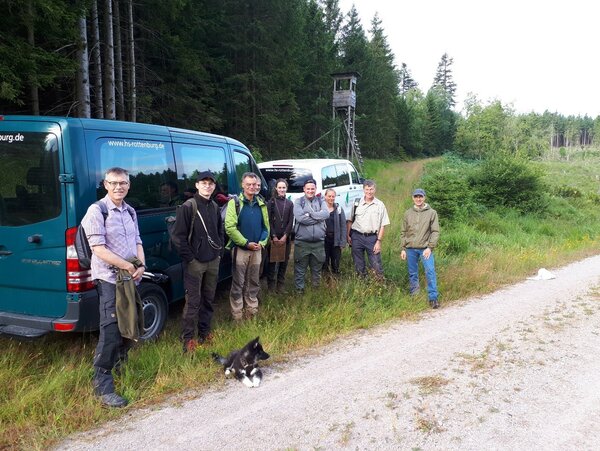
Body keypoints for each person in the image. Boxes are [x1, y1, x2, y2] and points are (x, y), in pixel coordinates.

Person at [81, 167, 145, 408]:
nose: (119, 187)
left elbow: (137, 240)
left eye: (123, 183)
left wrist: (141, 264)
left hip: (131, 278)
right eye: (114, 183)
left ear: (128, 185)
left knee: (130, 322)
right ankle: (102, 386)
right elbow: (98, 249)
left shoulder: (130, 211)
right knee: (110, 330)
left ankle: (121, 366)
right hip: (109, 280)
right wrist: (128, 266)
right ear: (105, 184)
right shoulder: (97, 211)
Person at [172, 171, 224, 353]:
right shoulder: (189, 206)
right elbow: (178, 238)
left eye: (210, 183)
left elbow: (220, 232)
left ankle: (205, 332)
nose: (207, 186)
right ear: (197, 185)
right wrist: (191, 259)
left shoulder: (215, 206)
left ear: (214, 186)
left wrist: (219, 252)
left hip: (212, 260)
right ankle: (188, 339)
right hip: (195, 263)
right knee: (193, 301)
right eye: (204, 183)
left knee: (209, 299)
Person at [225, 172, 269, 321]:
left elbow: (266, 227)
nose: (251, 187)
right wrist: (245, 243)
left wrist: (262, 242)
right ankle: (237, 316)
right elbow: (230, 227)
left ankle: (251, 313)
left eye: (254, 184)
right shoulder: (235, 203)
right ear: (242, 185)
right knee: (238, 283)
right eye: (248, 184)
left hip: (257, 250)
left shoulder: (261, 203)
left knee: (254, 282)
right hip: (241, 250)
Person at [400, 188, 440, 309]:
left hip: (425, 249)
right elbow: (403, 232)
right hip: (411, 248)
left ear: (424, 198)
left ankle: (433, 298)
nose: (418, 199)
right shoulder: (407, 213)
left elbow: (435, 231)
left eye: (420, 197)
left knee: (430, 271)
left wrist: (430, 247)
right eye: (416, 196)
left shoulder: (432, 213)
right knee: (413, 273)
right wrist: (403, 248)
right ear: (413, 198)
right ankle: (415, 297)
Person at [346, 179, 390, 279]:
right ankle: (362, 283)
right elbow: (350, 220)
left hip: (372, 238)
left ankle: (379, 284)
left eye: (371, 189)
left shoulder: (380, 205)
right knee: (358, 263)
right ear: (363, 190)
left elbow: (383, 225)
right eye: (367, 189)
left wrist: (379, 241)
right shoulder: (357, 203)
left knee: (376, 264)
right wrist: (348, 235)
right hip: (356, 237)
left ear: (374, 190)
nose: (369, 192)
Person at [293, 179, 329, 292]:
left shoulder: (321, 200)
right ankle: (299, 292)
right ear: (304, 189)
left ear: (315, 189)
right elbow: (300, 218)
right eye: (308, 188)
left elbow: (326, 214)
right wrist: (318, 218)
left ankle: (316, 292)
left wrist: (311, 214)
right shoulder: (298, 202)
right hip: (302, 243)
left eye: (312, 188)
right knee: (300, 269)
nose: (310, 190)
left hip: (318, 243)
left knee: (316, 269)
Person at [266, 179, 294, 291]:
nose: (282, 189)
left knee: (284, 261)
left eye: (284, 187)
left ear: (286, 188)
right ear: (276, 189)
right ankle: (271, 286)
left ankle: (280, 285)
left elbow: (290, 221)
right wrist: (273, 236)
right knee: (272, 262)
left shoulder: (290, 203)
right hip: (274, 238)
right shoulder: (271, 202)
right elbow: (268, 220)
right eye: (280, 187)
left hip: (285, 238)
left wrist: (285, 235)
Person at [322, 188, 347, 275]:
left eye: (333, 196)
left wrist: (343, 242)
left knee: (335, 263)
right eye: (329, 196)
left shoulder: (339, 209)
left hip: (335, 239)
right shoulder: (321, 209)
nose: (331, 198)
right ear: (325, 196)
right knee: (324, 262)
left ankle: (335, 280)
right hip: (324, 240)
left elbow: (343, 226)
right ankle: (325, 282)